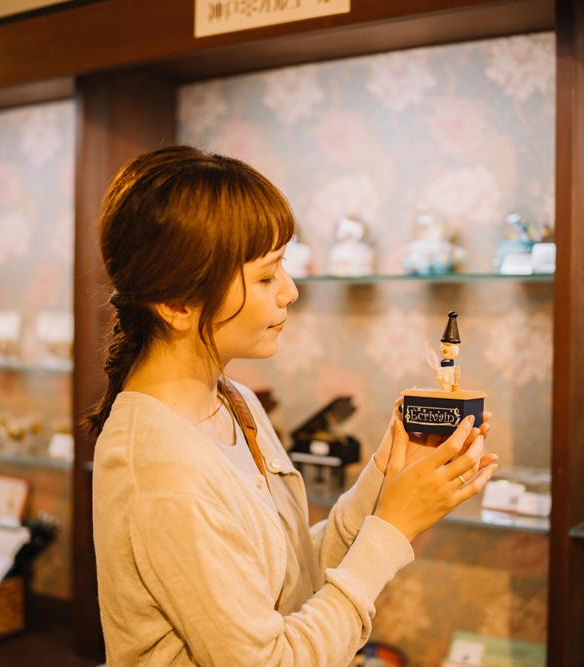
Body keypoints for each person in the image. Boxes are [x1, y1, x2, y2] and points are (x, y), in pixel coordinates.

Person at [87, 145, 499, 666]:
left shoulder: (234, 404)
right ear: (177, 303)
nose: (290, 291)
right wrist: (392, 528)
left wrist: (386, 478)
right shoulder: (159, 470)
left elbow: (291, 579)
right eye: (266, 276)